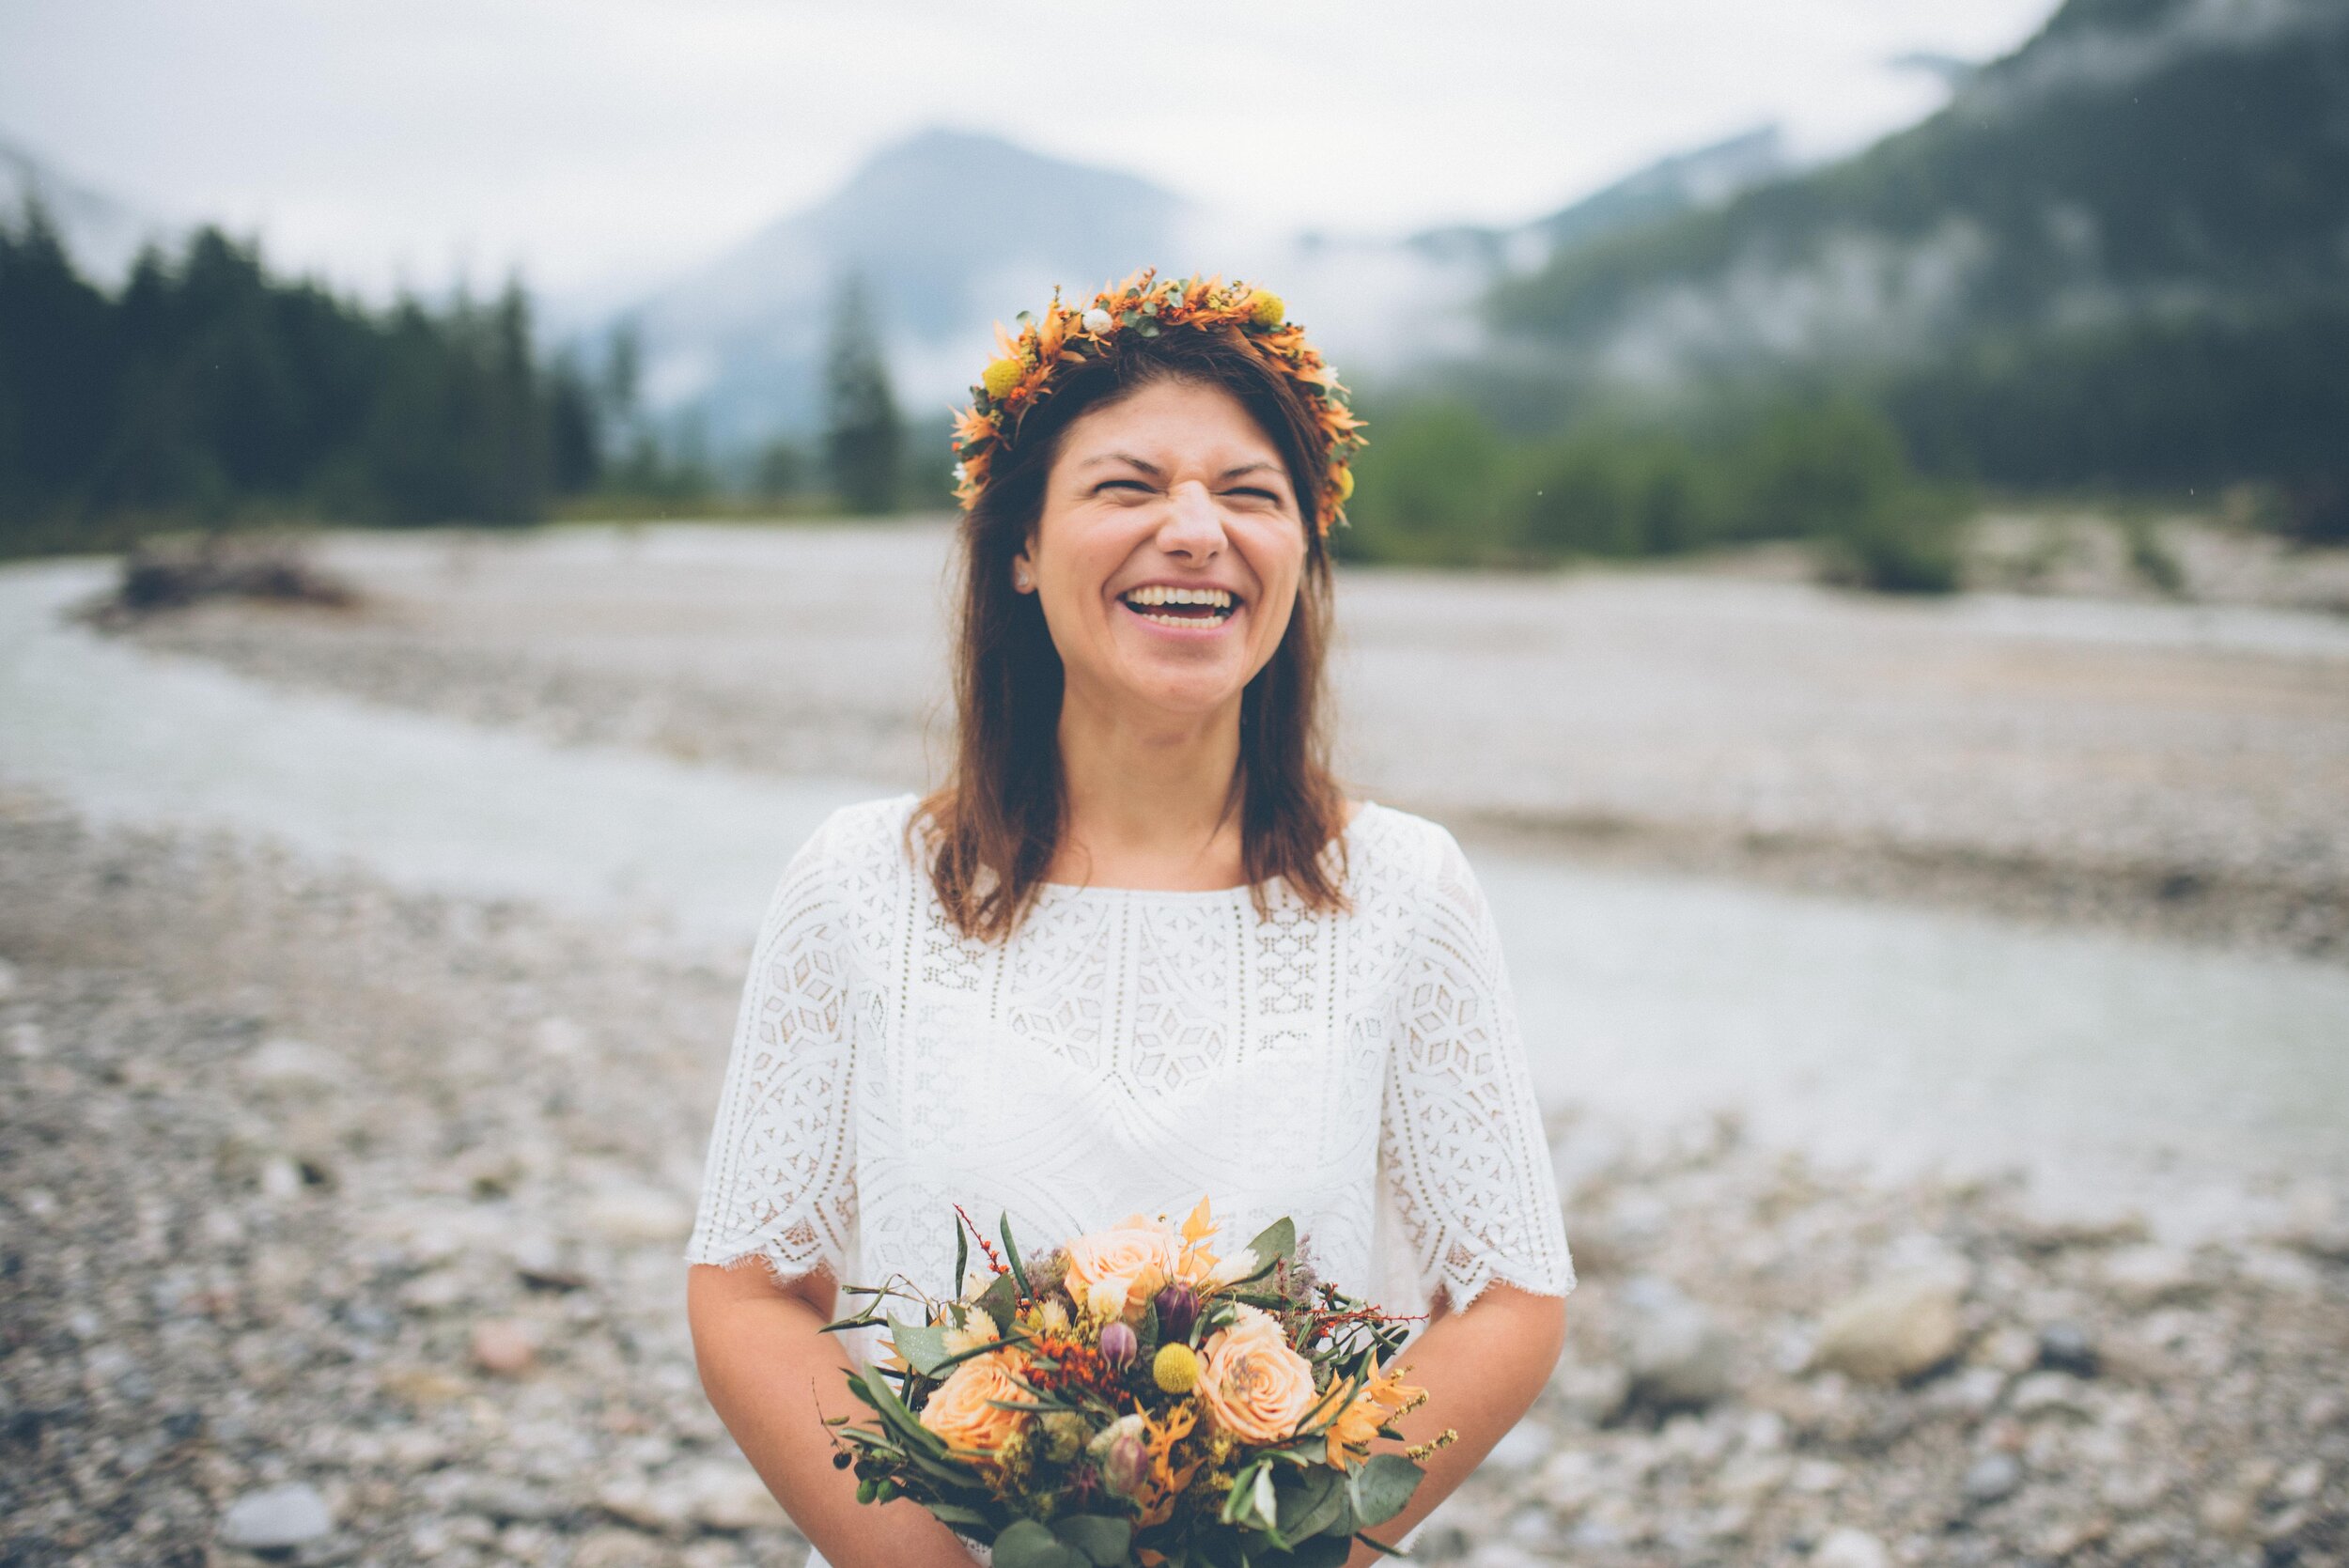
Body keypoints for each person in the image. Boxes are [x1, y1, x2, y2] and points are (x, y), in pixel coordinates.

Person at [684, 272, 1573, 1568]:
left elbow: (1510, 1294)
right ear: (1022, 548)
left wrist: (1303, 1544)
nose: (1198, 530)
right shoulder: (860, 883)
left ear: (1303, 554)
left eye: (1251, 493)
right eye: (1129, 484)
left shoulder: (1404, 890)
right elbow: (750, 1286)